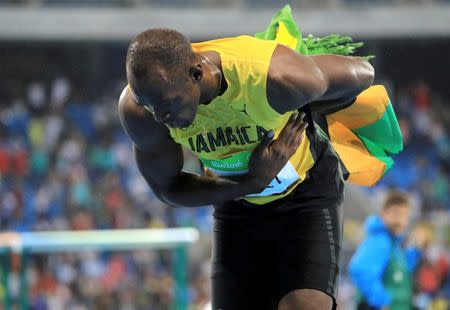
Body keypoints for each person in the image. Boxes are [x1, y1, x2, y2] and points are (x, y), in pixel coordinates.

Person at [118, 27, 374, 309]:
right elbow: (167, 188)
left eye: (168, 104)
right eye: (148, 105)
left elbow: (363, 73)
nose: (159, 116)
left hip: (306, 192)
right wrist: (251, 183)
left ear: (196, 74)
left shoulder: (274, 77)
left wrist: (306, 110)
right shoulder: (139, 111)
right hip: (236, 203)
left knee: (303, 305)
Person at [348, 190, 429, 310]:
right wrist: (381, 302)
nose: (400, 220)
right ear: (383, 214)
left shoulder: (394, 243)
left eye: (404, 214)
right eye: (395, 213)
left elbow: (398, 273)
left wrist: (415, 252)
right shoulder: (380, 241)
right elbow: (361, 269)